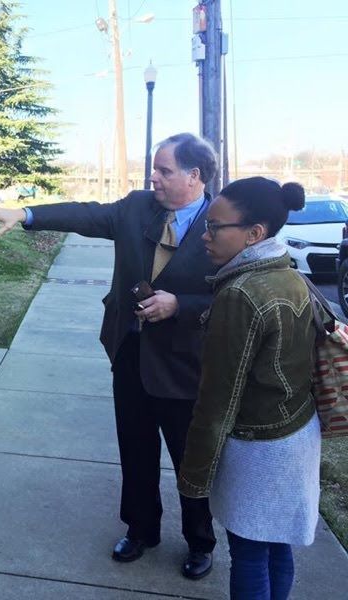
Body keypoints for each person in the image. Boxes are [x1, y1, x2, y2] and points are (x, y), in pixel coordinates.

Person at [0, 132, 218, 579]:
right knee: (135, 447)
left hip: (185, 365)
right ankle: (141, 529)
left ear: (194, 176)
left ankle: (200, 540)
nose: (154, 177)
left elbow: (234, 297)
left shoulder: (222, 224)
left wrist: (180, 305)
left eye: (164, 170)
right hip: (130, 352)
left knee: (189, 457)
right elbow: (85, 215)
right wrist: (26, 213)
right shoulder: (137, 207)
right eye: (154, 169)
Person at [178, 177, 320, 599]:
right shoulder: (286, 272)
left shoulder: (241, 292)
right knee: (276, 547)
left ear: (254, 233)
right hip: (295, 433)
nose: (205, 236)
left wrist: (194, 476)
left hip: (259, 448)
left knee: (250, 554)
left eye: (215, 227)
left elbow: (218, 398)